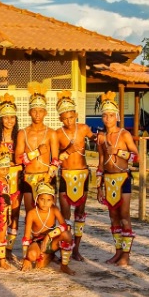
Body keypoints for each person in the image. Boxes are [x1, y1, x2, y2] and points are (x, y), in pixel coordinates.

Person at [96, 91, 138, 266]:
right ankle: (118, 252)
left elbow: (137, 157)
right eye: (105, 115)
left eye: (111, 115)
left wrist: (118, 152)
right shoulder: (101, 137)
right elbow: (100, 163)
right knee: (113, 217)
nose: (108, 118)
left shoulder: (125, 135)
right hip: (108, 180)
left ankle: (126, 255)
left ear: (117, 117)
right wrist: (98, 187)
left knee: (124, 216)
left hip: (123, 179)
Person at [55, 90, 94, 261]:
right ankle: (66, 246)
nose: (68, 121)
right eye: (65, 118)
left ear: (76, 115)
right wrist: (67, 151)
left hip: (83, 174)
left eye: (71, 117)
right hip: (65, 175)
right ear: (60, 119)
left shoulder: (84, 129)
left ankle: (76, 249)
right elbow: (55, 157)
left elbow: (96, 141)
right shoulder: (57, 133)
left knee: (80, 213)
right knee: (65, 215)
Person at [15, 82, 59, 217]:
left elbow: (56, 161)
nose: (37, 114)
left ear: (45, 112)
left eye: (40, 110)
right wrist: (37, 152)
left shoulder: (52, 133)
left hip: (47, 177)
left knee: (48, 216)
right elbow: (17, 159)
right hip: (29, 178)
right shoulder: (23, 133)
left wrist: (48, 176)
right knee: (31, 215)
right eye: (34, 110)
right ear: (29, 112)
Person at [21, 182, 74, 274]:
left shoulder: (54, 209)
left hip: (53, 240)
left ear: (53, 200)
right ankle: (50, 255)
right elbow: (26, 237)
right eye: (42, 199)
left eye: (49, 200)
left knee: (67, 234)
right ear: (37, 200)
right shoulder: (32, 213)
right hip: (38, 242)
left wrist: (49, 236)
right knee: (33, 258)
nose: (45, 203)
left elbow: (64, 225)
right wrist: (26, 259)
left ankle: (64, 266)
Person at [0, 93, 21, 256]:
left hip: (16, 178)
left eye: (12, 117)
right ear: (1, 118)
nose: (9, 121)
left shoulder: (20, 135)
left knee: (14, 213)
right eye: (6, 117)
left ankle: (9, 248)